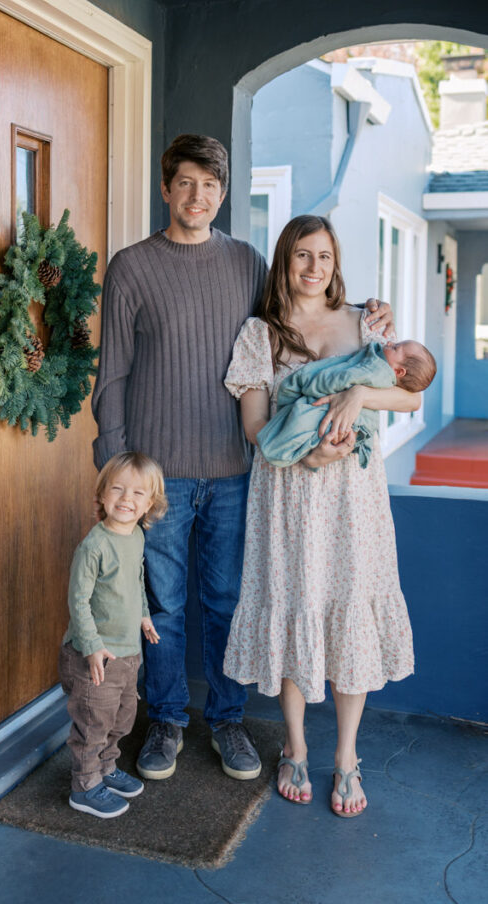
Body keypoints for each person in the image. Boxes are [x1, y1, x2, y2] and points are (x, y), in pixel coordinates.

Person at [91, 134, 393, 783]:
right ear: (166, 187)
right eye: (186, 183)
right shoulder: (131, 266)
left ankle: (226, 720)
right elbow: (111, 371)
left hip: (236, 469)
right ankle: (168, 719)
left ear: (221, 195)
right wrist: (112, 457)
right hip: (156, 472)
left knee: (227, 602)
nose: (197, 196)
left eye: (210, 185)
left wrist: (374, 309)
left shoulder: (248, 262)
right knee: (164, 605)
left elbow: (309, 300)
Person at [223, 214, 419, 817]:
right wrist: (308, 454)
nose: (314, 268)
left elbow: (410, 392)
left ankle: (347, 759)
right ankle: (297, 747)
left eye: (325, 258)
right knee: (295, 606)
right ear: (285, 262)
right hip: (288, 494)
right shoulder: (261, 333)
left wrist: (359, 395)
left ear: (337, 265)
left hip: (354, 500)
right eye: (303, 256)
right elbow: (255, 429)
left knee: (348, 611)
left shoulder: (366, 322)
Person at [59, 451, 167, 818]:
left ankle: (106, 768)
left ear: (150, 503)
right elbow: (78, 600)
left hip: (128, 652)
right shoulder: (94, 546)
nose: (127, 499)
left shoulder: (135, 535)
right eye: (118, 489)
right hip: (96, 657)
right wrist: (91, 647)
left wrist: (143, 615)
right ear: (102, 495)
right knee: (94, 721)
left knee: (122, 717)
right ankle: (85, 785)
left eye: (138, 494)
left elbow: (135, 581)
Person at [258, 338, 436, 469]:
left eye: (396, 347)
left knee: (301, 421)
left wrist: (314, 385)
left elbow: (344, 378)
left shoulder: (377, 370)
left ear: (398, 371)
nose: (389, 342)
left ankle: (279, 450)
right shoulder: (383, 367)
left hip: (338, 437)